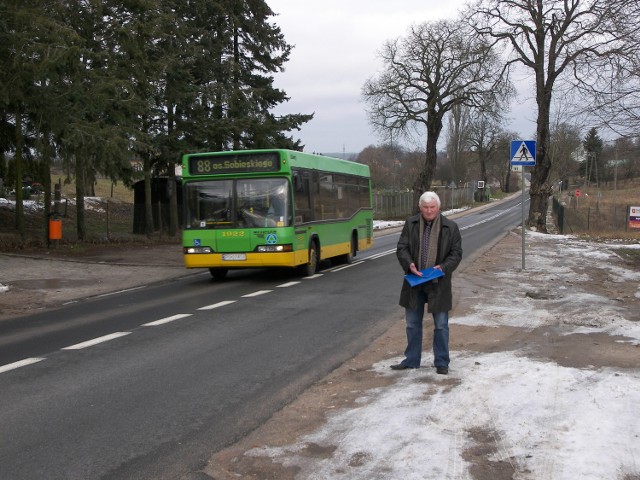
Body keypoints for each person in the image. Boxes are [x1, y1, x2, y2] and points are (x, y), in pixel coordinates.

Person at [391, 191, 463, 374]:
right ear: (420, 208)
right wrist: (409, 264)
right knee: (412, 324)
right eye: (425, 207)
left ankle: (442, 362)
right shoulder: (410, 224)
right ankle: (412, 360)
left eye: (432, 207)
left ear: (438, 208)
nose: (429, 211)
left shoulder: (451, 227)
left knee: (441, 325)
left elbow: (456, 254)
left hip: (438, 283)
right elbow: (402, 248)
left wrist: (444, 267)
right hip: (414, 282)